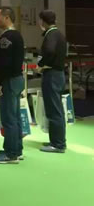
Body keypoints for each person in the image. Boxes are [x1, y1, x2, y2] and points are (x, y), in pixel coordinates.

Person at [0, 6, 26, 164]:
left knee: (9, 118)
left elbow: (3, 63)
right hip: (17, 79)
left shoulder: (7, 37)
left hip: (9, 80)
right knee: (15, 117)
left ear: (7, 17)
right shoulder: (17, 35)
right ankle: (16, 149)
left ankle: (10, 153)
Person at [38, 10, 67, 153]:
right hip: (59, 74)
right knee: (57, 109)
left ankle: (58, 144)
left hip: (52, 75)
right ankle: (58, 140)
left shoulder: (51, 34)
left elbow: (49, 51)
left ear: (42, 21)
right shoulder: (59, 34)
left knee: (53, 110)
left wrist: (41, 64)